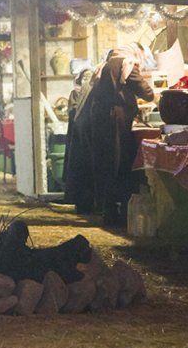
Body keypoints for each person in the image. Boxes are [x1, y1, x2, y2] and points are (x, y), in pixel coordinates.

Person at [63, 43, 154, 226]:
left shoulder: (104, 66)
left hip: (100, 119)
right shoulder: (126, 63)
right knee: (116, 162)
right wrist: (154, 94)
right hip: (115, 119)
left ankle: (107, 208)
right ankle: (113, 213)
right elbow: (147, 93)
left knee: (104, 164)